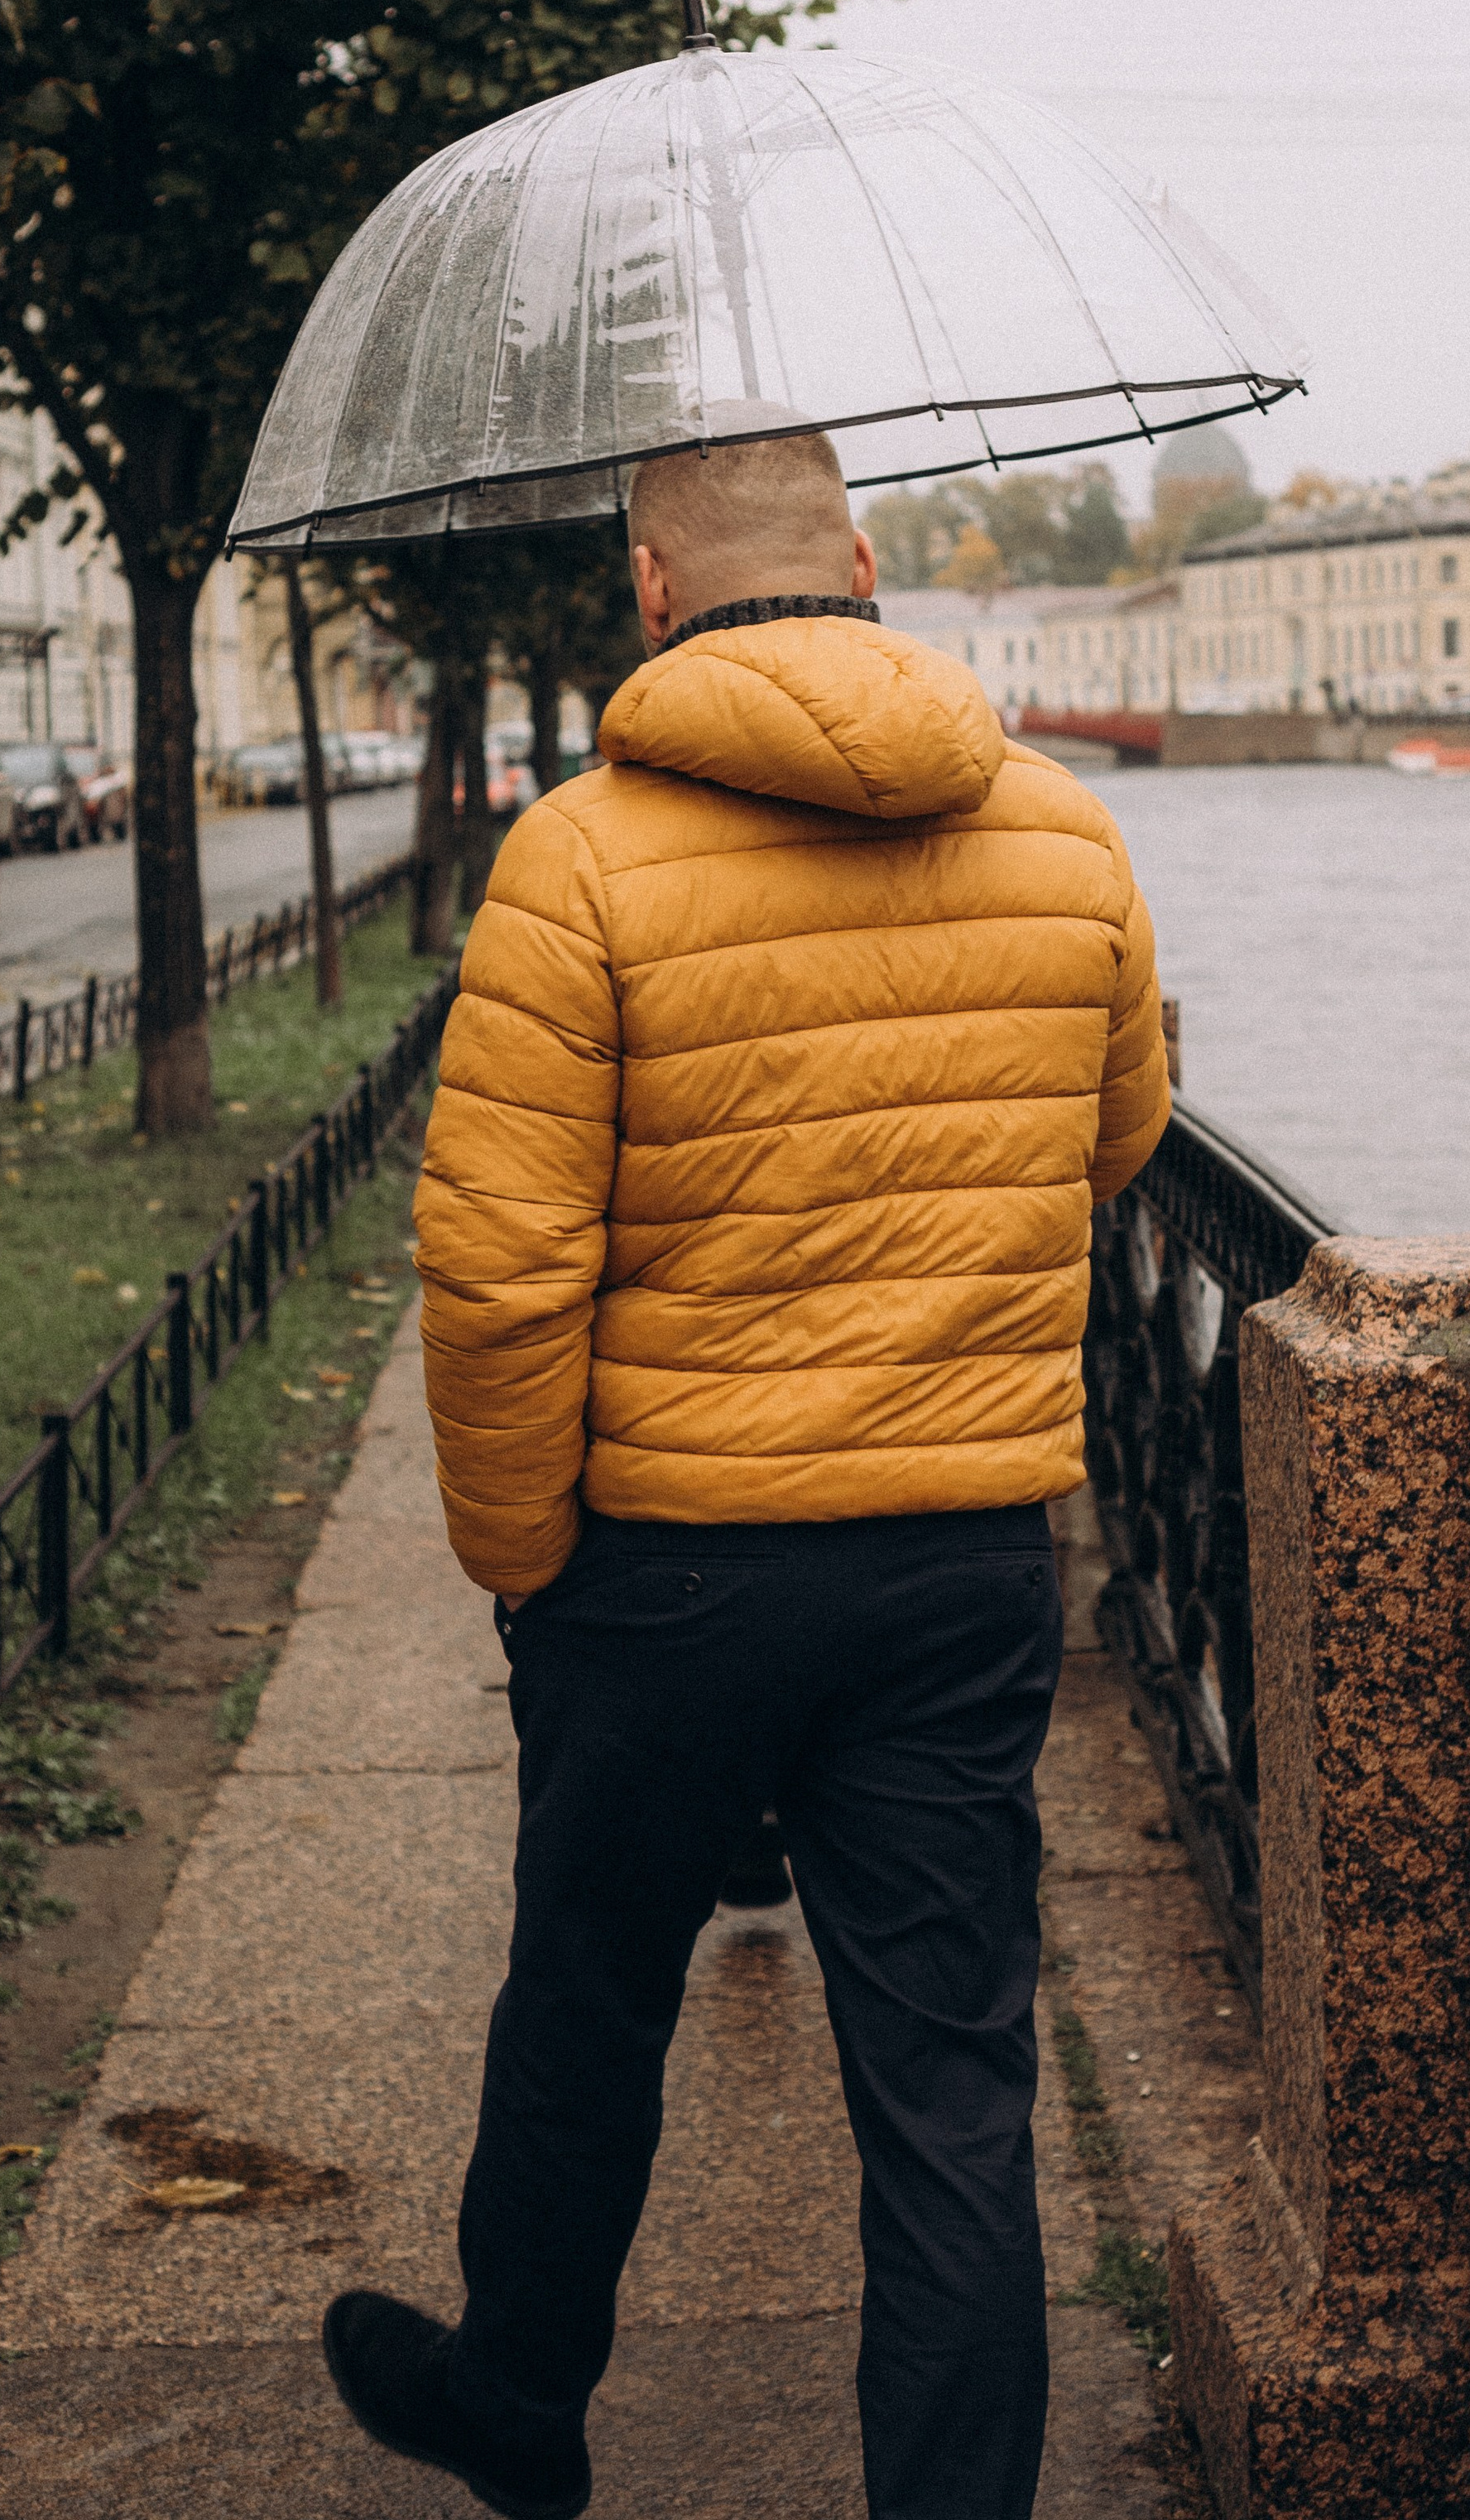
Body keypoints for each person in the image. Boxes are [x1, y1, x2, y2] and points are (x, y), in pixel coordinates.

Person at [322, 429, 1170, 2520]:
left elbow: (504, 1265)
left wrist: (524, 1557)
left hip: (673, 1569)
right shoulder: (1063, 834)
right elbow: (1117, 1134)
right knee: (953, 2084)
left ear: (647, 591)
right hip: (963, 1556)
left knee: (590, 1995)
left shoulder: (580, 858)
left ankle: (520, 2404)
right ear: (868, 569)